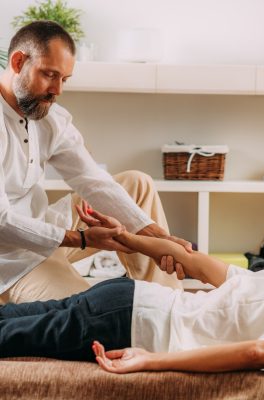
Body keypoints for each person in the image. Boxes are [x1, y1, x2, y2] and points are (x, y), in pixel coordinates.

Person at [0, 206, 264, 376]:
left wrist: (129, 239)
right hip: (134, 324)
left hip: (125, 296)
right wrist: (150, 361)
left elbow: (204, 266)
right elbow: (257, 352)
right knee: (9, 336)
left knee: (13, 321)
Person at [0, 21, 191, 304]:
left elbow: (91, 179)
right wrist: (83, 238)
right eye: (49, 75)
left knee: (138, 183)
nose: (57, 90)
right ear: (18, 62)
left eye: (64, 79)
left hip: (45, 227)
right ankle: (135, 318)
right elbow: (3, 223)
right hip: (10, 262)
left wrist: (156, 235)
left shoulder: (51, 118)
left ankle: (169, 307)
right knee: (93, 312)